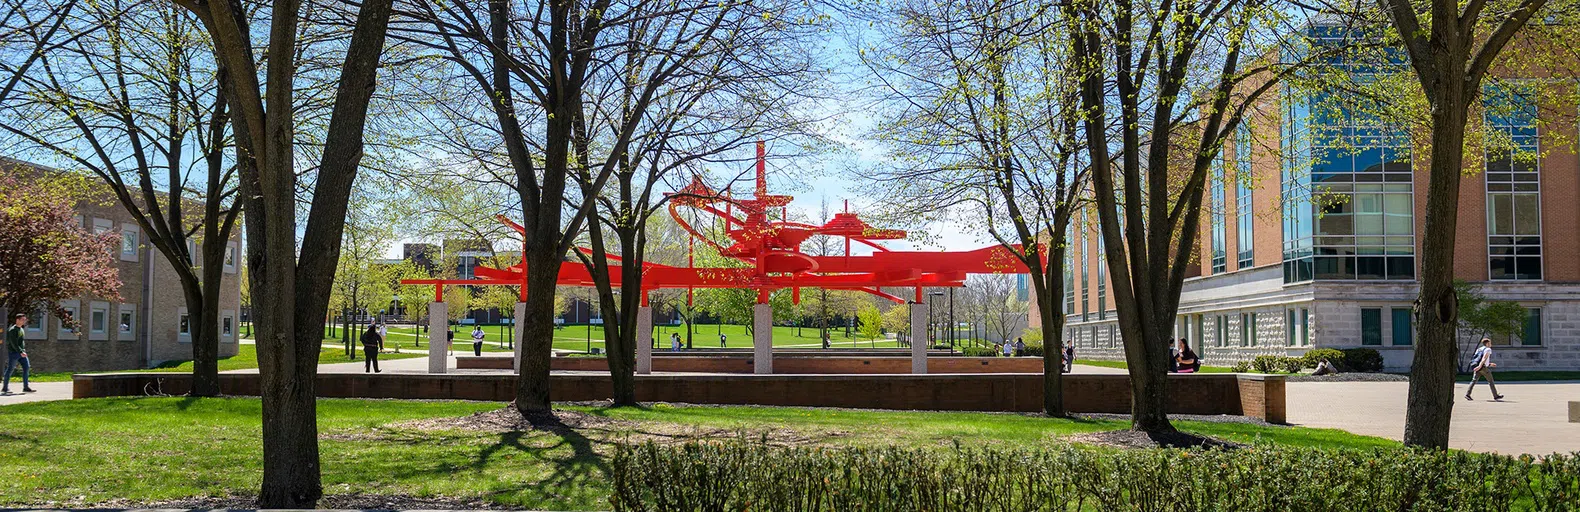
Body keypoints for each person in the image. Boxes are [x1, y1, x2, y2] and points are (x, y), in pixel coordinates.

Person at [3, 313, 34, 394]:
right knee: (10, 369)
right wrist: (20, 351)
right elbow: (14, 343)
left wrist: (23, 351)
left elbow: (21, 342)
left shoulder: (21, 329)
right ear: (17, 320)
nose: (24, 321)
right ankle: (5, 388)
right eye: (22, 320)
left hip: (22, 352)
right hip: (14, 353)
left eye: (25, 320)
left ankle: (26, 387)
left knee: (26, 368)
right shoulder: (13, 330)